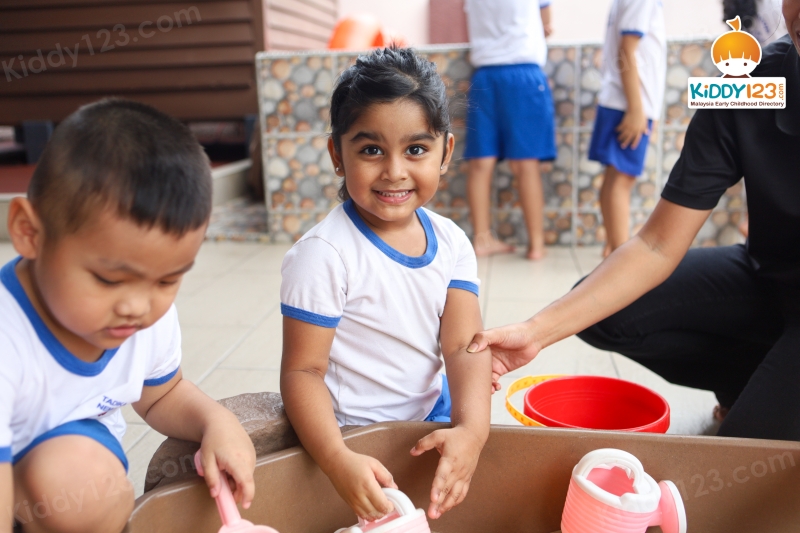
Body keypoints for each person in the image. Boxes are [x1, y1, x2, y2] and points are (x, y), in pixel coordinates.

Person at [467, 1, 800, 442]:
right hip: (770, 279)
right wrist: (534, 332)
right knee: (604, 312)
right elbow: (656, 245)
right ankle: (757, 372)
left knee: (738, 460)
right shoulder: (748, 85)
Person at [0, 99, 257, 533]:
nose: (138, 307)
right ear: (29, 234)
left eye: (165, 281)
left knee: (81, 484)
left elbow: (160, 394)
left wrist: (217, 420)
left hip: (68, 474)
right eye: (108, 279)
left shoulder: (146, 319)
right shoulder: (8, 337)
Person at [280, 48, 491, 523]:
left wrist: (473, 430)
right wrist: (336, 460)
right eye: (371, 149)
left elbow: (463, 347)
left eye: (415, 149)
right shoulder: (324, 255)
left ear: (445, 153)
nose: (394, 170)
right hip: (353, 435)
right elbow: (303, 373)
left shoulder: (452, 241)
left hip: (429, 416)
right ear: (338, 154)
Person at [463, 0, 557, 260]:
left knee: (481, 164)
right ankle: (536, 245)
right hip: (523, 73)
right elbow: (546, 22)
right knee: (525, 164)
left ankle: (482, 239)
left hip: (485, 75)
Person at [589, 0, 666, 257]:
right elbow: (626, 50)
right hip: (629, 103)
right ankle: (620, 256)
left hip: (622, 100)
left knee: (615, 179)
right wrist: (636, 108)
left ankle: (613, 247)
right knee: (622, 180)